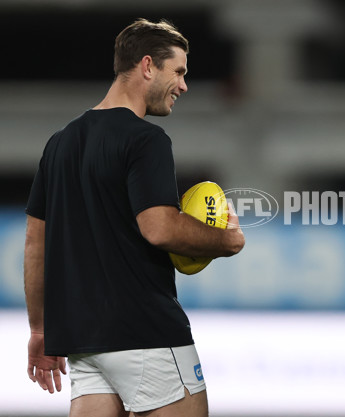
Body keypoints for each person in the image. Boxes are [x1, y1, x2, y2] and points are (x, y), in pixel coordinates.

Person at [24, 19, 245, 417]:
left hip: (82, 341)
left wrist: (40, 330)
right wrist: (228, 242)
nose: (183, 85)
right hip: (146, 334)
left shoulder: (59, 144)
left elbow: (35, 243)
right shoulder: (146, 139)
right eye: (178, 71)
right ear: (148, 66)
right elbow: (159, 228)